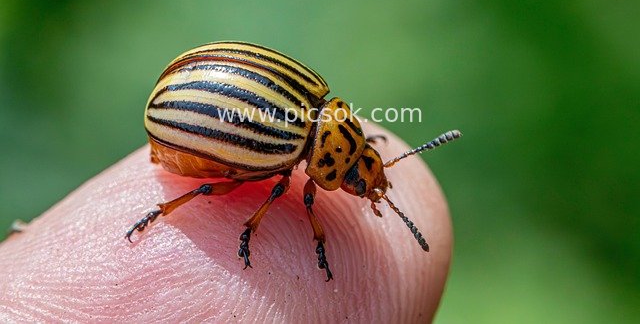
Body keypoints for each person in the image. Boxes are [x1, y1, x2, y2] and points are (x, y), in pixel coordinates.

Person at [0, 123, 452, 322]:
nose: (361, 185)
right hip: (182, 132)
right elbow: (304, 200)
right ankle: (164, 212)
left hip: (191, 102)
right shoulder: (298, 155)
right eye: (355, 177)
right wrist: (272, 232)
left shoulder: (320, 117)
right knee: (217, 190)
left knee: (269, 185)